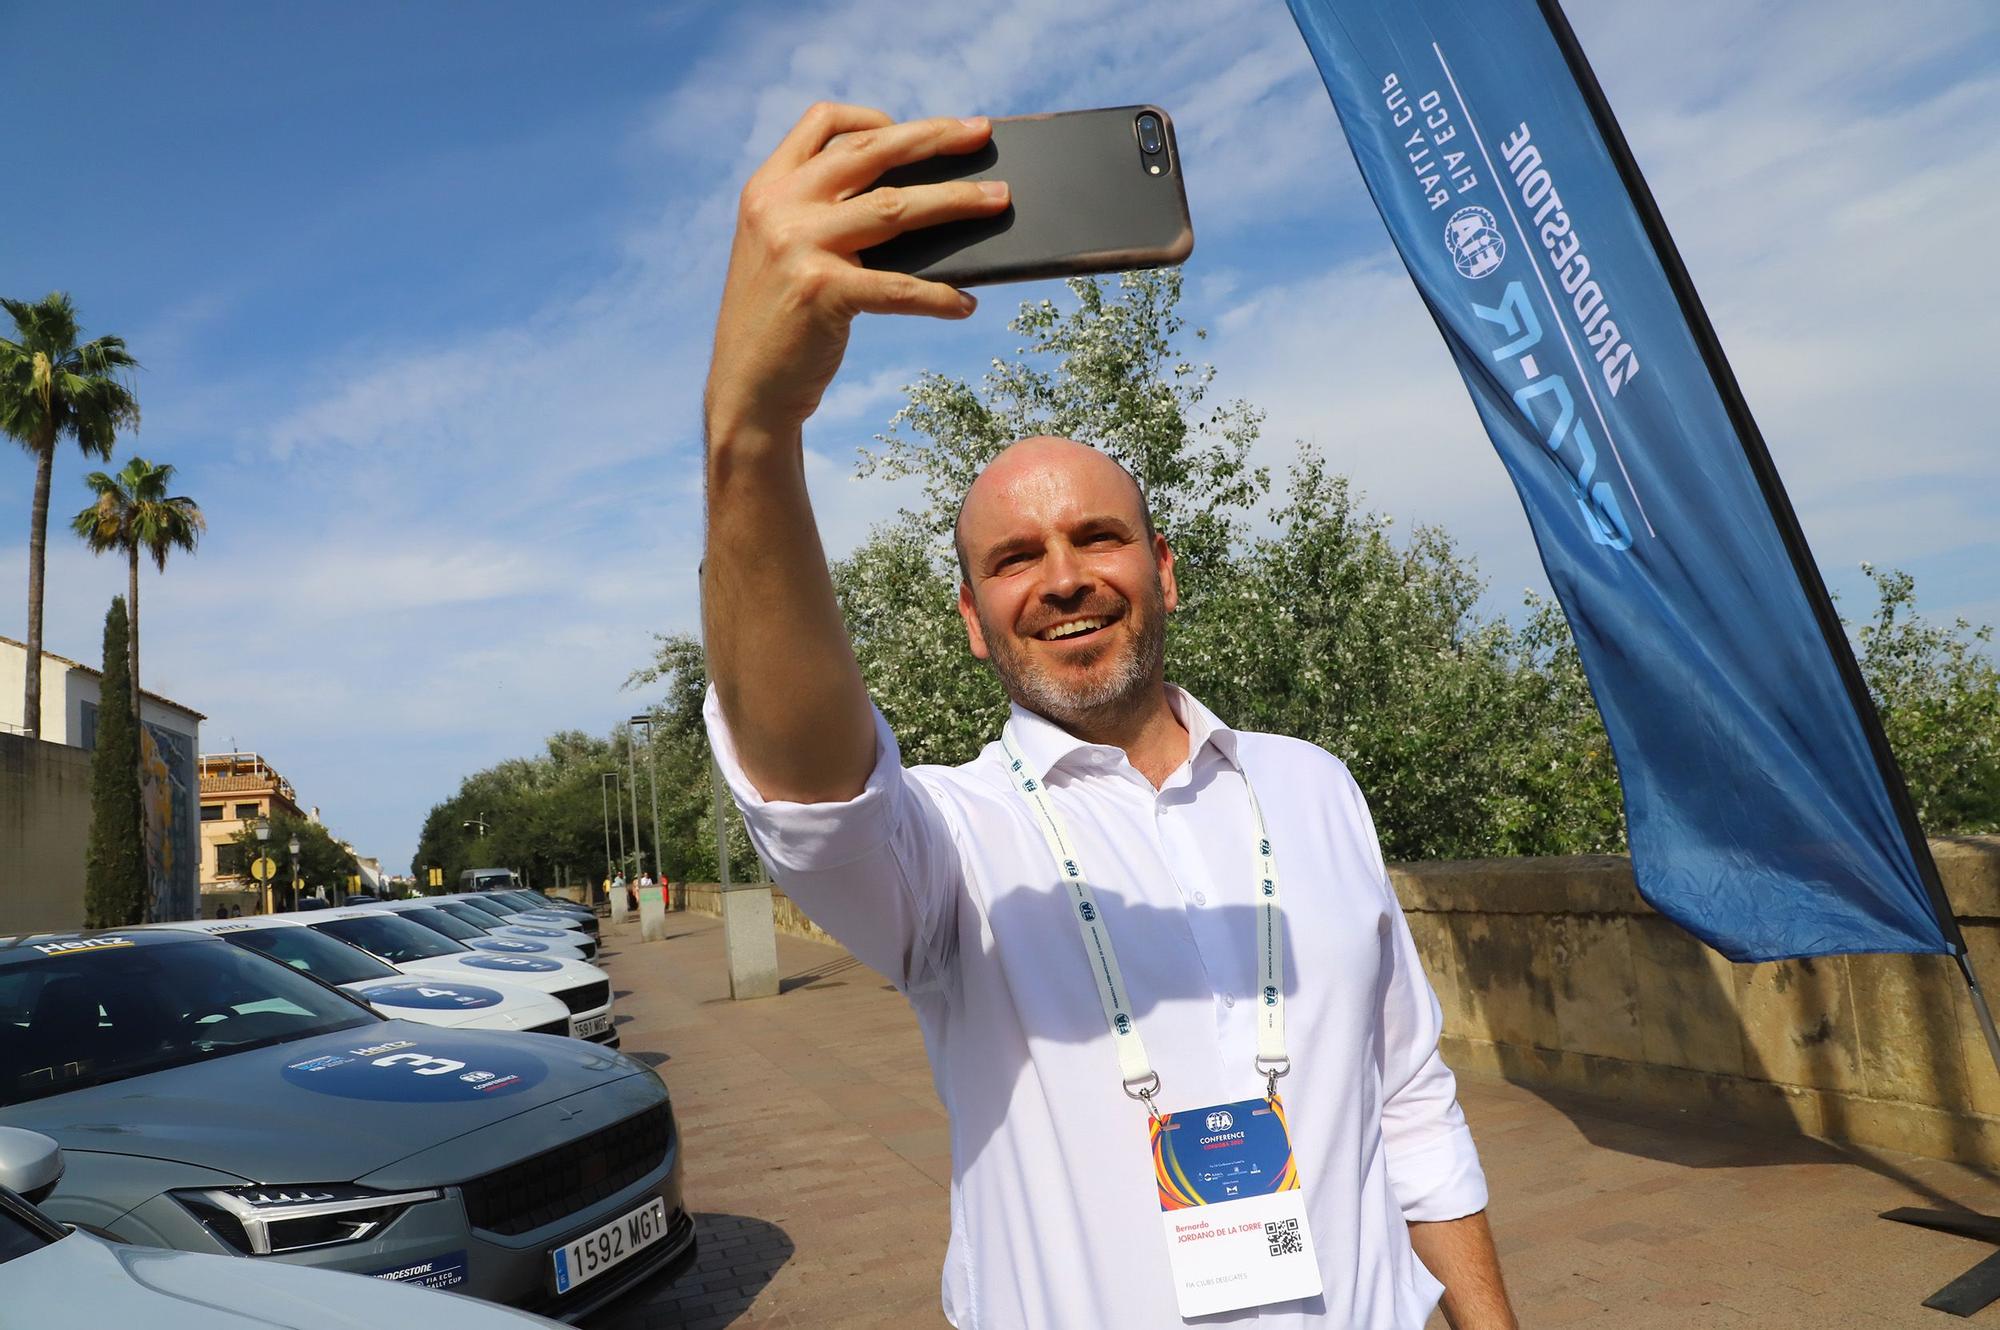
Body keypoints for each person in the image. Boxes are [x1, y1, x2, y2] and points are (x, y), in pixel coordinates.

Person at [700, 103, 1515, 1329]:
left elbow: (1408, 1095)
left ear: (1164, 569)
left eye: (1096, 536)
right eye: (1014, 558)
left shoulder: (1309, 786)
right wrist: (753, 437)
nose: (1064, 575)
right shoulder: (948, 846)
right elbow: (809, 783)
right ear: (973, 620)